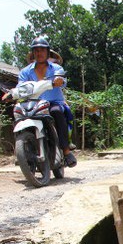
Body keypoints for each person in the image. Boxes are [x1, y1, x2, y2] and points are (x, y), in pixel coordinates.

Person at [17, 37, 77, 167]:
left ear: (47, 52)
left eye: (42, 50)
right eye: (36, 50)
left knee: (56, 112)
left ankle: (66, 152)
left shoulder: (56, 68)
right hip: (33, 104)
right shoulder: (25, 72)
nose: (39, 53)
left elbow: (61, 78)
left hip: (53, 103)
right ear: (33, 53)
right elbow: (20, 87)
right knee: (18, 115)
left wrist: (59, 80)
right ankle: (21, 151)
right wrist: (11, 93)